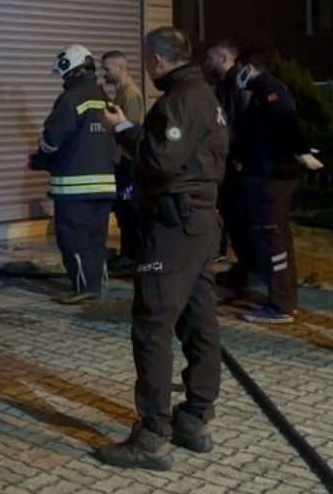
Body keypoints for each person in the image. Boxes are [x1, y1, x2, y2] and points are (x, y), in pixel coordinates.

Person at [97, 26, 228, 471]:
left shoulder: (180, 100)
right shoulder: (205, 96)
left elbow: (158, 160)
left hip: (173, 226)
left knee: (153, 324)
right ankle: (195, 417)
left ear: (155, 58)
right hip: (200, 222)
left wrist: (122, 129)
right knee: (199, 319)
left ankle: (152, 436)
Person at [227, 48, 324, 324]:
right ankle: (284, 299)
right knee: (277, 238)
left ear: (248, 68)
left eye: (238, 68)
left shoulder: (269, 89)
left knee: (272, 239)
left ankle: (280, 305)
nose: (235, 75)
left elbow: (287, 120)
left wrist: (301, 151)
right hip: (268, 174)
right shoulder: (262, 92)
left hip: (271, 178)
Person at [29, 44, 117, 304]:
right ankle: (95, 283)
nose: (62, 80)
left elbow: (52, 137)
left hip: (74, 187)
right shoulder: (104, 97)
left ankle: (83, 287)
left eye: (63, 74)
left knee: (73, 238)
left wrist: (42, 157)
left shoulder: (71, 98)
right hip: (104, 185)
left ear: (70, 69)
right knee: (96, 238)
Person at [204, 41, 246, 271]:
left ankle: (245, 263)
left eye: (211, 58)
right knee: (226, 209)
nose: (207, 63)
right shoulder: (225, 85)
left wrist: (237, 154)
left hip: (233, 160)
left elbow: (237, 121)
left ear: (223, 59)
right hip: (227, 158)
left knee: (236, 211)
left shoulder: (237, 84)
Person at [101, 51, 144, 270]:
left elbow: (130, 129)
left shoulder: (131, 94)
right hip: (122, 159)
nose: (104, 73)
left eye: (107, 69)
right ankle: (128, 252)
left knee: (128, 208)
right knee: (122, 207)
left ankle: (132, 254)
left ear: (120, 68)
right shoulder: (121, 93)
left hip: (129, 162)